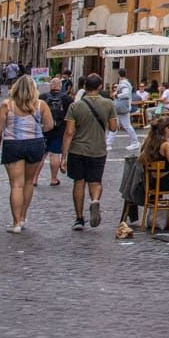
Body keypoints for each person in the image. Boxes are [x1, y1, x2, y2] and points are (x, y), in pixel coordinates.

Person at [60, 74, 118, 231]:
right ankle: (95, 200)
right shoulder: (108, 104)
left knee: (78, 182)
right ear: (100, 87)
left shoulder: (75, 106)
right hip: (98, 149)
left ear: (85, 87)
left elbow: (69, 132)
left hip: (77, 150)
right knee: (95, 181)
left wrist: (63, 156)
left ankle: (79, 218)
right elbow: (113, 127)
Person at [0, 74, 52, 232]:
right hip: (34, 143)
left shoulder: (7, 104)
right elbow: (49, 125)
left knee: (16, 185)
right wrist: (36, 129)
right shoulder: (41, 105)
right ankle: (22, 217)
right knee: (29, 182)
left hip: (13, 144)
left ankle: (15, 223)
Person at [42, 77, 72, 185]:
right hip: (59, 130)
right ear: (60, 86)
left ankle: (34, 179)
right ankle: (53, 179)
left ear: (50, 86)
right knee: (54, 154)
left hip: (44, 129)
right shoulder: (67, 99)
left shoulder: (43, 97)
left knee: (42, 155)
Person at [107, 69, 139, 150]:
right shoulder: (126, 83)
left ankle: (135, 142)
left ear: (119, 75)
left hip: (122, 107)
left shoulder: (123, 84)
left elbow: (126, 93)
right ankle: (108, 143)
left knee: (126, 125)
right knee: (117, 125)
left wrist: (117, 95)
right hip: (122, 107)